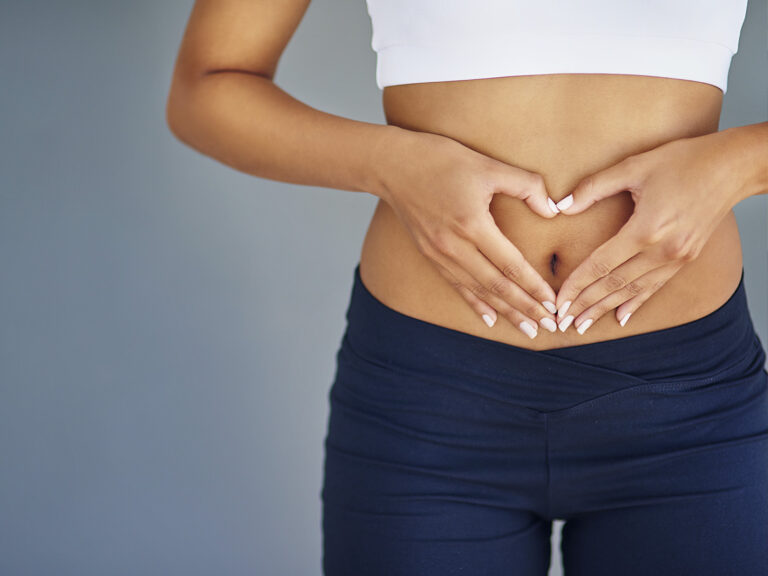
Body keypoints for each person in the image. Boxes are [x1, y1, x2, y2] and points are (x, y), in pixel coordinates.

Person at [166, 1, 768, 574]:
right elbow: (207, 87)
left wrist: (737, 163)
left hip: (689, 409)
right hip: (427, 408)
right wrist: (391, 164)